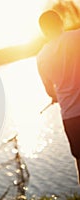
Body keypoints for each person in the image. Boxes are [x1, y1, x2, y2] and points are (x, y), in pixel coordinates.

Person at [37, 10, 80, 185]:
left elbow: (49, 91)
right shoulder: (76, 37)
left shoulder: (41, 57)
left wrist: (56, 96)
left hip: (70, 117)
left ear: (43, 31)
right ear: (60, 22)